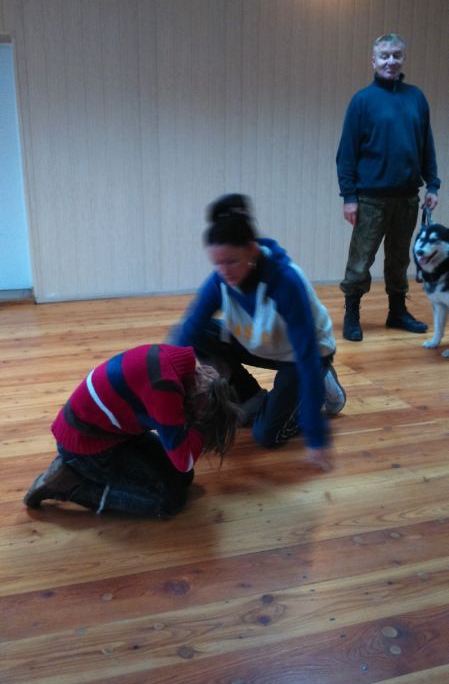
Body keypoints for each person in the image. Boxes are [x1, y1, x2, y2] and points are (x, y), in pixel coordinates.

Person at [170, 194, 346, 471]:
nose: (223, 271)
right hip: (261, 342)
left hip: (304, 356)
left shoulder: (286, 282)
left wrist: (316, 436)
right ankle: (252, 398)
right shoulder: (221, 279)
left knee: (266, 436)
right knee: (200, 333)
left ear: (252, 251)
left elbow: (307, 356)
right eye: (217, 263)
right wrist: (161, 379)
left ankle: (323, 385)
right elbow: (188, 329)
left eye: (231, 262)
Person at [23, 343, 240, 517]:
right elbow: (184, 461)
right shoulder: (165, 390)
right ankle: (70, 486)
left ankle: (73, 472)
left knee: (183, 478)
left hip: (112, 432)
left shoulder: (177, 363)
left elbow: (183, 466)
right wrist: (202, 426)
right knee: (168, 502)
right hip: (86, 447)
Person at [337, 33, 440, 341]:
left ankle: (397, 312)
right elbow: (346, 154)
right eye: (385, 56)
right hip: (370, 199)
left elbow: (426, 147)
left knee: (399, 260)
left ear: (403, 59)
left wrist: (432, 185)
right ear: (374, 61)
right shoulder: (362, 101)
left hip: (407, 198)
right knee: (360, 261)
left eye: (396, 55)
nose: (391, 61)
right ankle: (352, 314)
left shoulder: (416, 98)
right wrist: (349, 197)